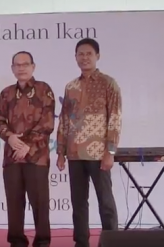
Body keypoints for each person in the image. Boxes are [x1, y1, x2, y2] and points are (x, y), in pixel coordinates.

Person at [57, 38, 122, 247]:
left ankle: (111, 240)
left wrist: (110, 151)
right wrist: (60, 152)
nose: (84, 58)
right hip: (75, 153)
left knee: (105, 201)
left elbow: (115, 118)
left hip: (98, 153)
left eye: (89, 54)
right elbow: (64, 121)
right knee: (78, 202)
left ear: (97, 56)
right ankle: (81, 242)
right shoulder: (71, 86)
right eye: (80, 54)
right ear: (75, 57)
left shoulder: (108, 83)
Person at [0, 51, 55, 247]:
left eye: (25, 64)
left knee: (40, 203)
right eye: (17, 65)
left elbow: (47, 123)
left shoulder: (43, 89)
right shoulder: (6, 93)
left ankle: (43, 241)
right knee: (14, 203)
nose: (21, 68)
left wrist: (27, 144)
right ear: (12, 68)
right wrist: (10, 137)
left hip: (36, 157)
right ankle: (17, 241)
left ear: (33, 67)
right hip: (12, 156)